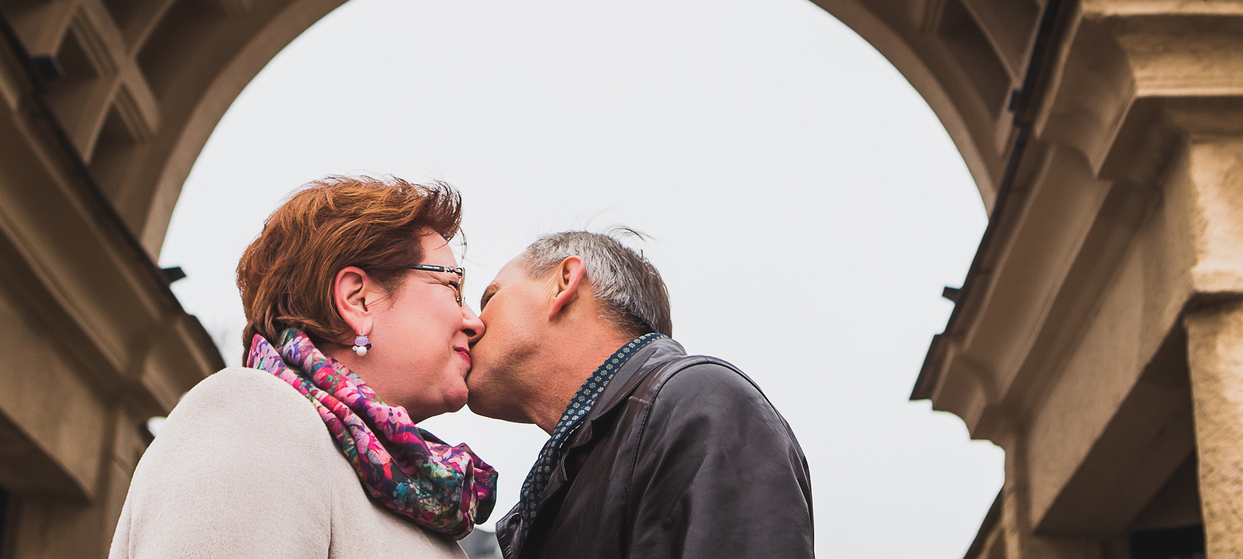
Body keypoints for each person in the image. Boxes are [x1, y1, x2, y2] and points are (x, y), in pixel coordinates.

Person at [111, 177, 499, 557]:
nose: (473, 321)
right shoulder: (254, 416)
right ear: (358, 300)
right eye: (453, 288)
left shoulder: (411, 493)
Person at [468, 230, 813, 558]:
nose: (472, 323)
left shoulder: (702, 403)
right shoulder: (585, 466)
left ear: (564, 282)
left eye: (490, 297)